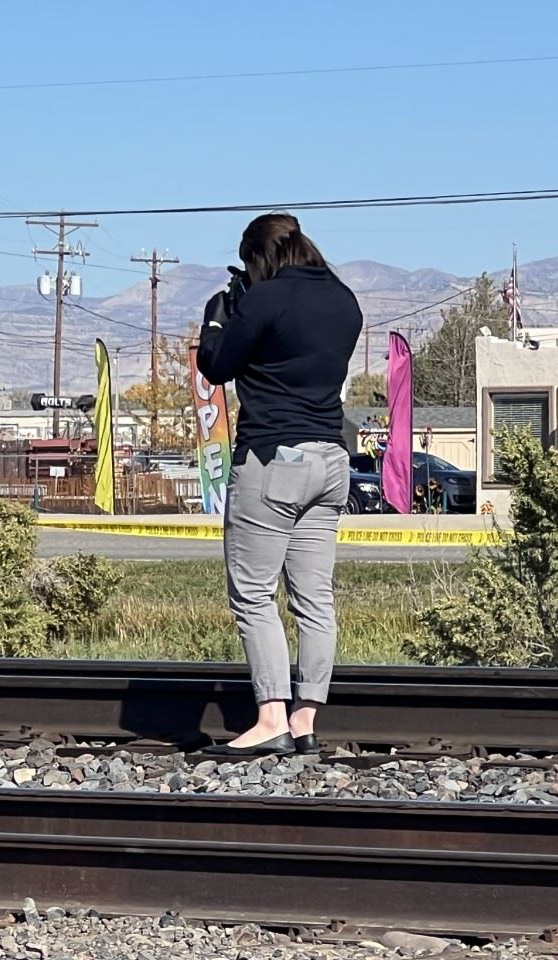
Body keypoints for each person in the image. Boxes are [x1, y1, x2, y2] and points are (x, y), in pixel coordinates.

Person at [196, 213, 362, 757]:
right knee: (314, 597)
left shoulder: (263, 301)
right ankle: (305, 716)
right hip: (332, 460)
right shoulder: (345, 301)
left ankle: (270, 717)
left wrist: (218, 319)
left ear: (258, 259)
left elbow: (217, 366)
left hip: (274, 460)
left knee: (253, 593)